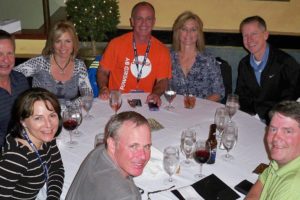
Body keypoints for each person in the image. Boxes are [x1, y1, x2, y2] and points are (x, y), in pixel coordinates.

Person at [97, 1, 171, 106]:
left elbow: (163, 81)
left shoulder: (162, 50)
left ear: (154, 21)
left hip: (146, 101)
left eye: (148, 19)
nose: (144, 23)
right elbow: (102, 71)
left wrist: (156, 94)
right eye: (139, 18)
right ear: (132, 21)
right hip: (118, 101)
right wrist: (103, 88)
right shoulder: (115, 44)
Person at [65, 111, 151, 200]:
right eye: (133, 146)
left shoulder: (100, 151)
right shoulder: (127, 196)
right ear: (112, 145)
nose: (143, 156)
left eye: (147, 146)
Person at [0, 87, 64, 199]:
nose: (48, 125)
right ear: (23, 122)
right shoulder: (16, 158)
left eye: (52, 115)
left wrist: (53, 197)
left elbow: (56, 170)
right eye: (38, 118)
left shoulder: (46, 138)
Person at [235, 16, 300, 121]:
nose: (249, 40)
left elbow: (294, 96)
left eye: (254, 34)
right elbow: (241, 95)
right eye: (245, 36)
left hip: (280, 120)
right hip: (253, 118)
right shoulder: (244, 64)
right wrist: (252, 116)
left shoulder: (285, 62)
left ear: (265, 35)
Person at [14, 20, 92, 105]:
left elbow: (88, 94)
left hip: (69, 116)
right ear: (52, 44)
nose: (63, 46)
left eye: (68, 41)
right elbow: (11, 75)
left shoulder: (79, 65)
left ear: (74, 43)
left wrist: (70, 107)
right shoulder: (40, 63)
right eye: (58, 41)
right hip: (42, 115)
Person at [245, 101, 300, 200]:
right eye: (273, 129)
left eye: (288, 131)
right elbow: (259, 188)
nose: (275, 138)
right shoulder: (280, 161)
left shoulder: (293, 188)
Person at [170, 11, 225, 102]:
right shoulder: (169, 58)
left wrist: (199, 107)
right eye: (184, 29)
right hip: (175, 111)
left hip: (203, 111)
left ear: (198, 33)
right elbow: (163, 88)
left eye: (193, 30)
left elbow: (219, 92)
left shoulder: (208, 60)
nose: (188, 33)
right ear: (177, 32)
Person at [0, 29, 30, 147]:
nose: (5, 60)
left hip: (25, 145)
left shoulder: (21, 80)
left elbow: (28, 115)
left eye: (10, 53)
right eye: (0, 54)